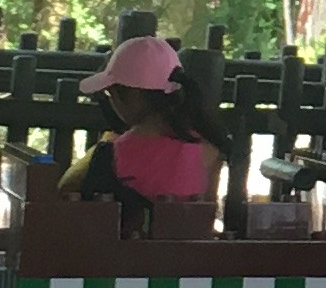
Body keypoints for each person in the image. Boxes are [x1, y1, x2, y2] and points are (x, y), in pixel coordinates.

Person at [71, 37, 241, 224]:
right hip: (191, 242)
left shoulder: (112, 153)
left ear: (133, 95)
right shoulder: (211, 149)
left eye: (110, 93)